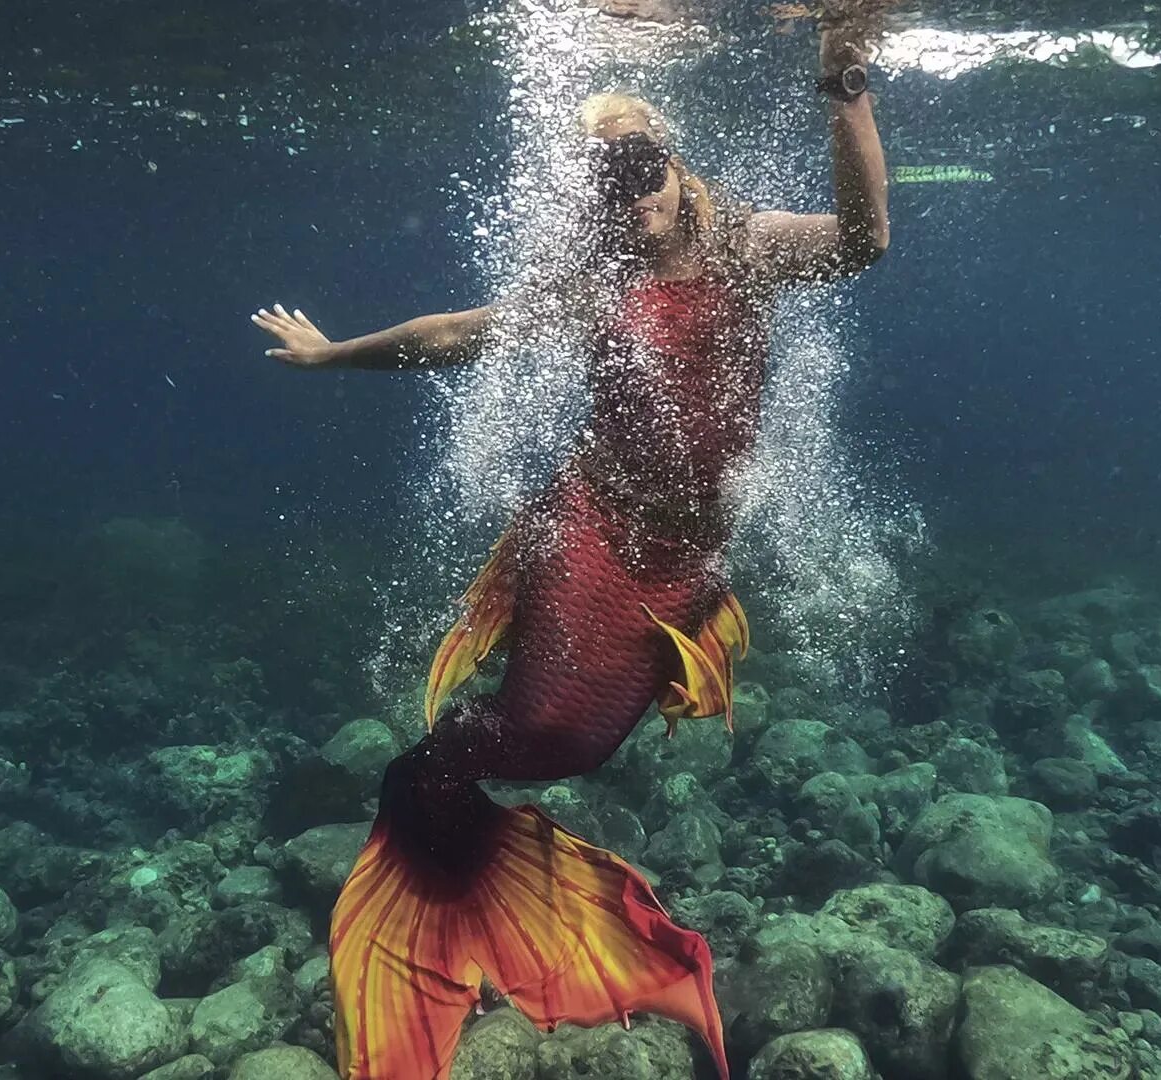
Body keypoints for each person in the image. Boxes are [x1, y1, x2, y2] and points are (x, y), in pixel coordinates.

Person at [252, 21, 888, 1080]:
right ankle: (430, 782)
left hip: (688, 554)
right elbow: (454, 334)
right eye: (604, 182)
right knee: (551, 731)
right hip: (594, 527)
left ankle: (456, 793)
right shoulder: (593, 281)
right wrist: (330, 356)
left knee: (583, 749)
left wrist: (845, 82)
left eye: (641, 168)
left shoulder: (749, 246)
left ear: (679, 166)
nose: (628, 196)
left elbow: (866, 240)